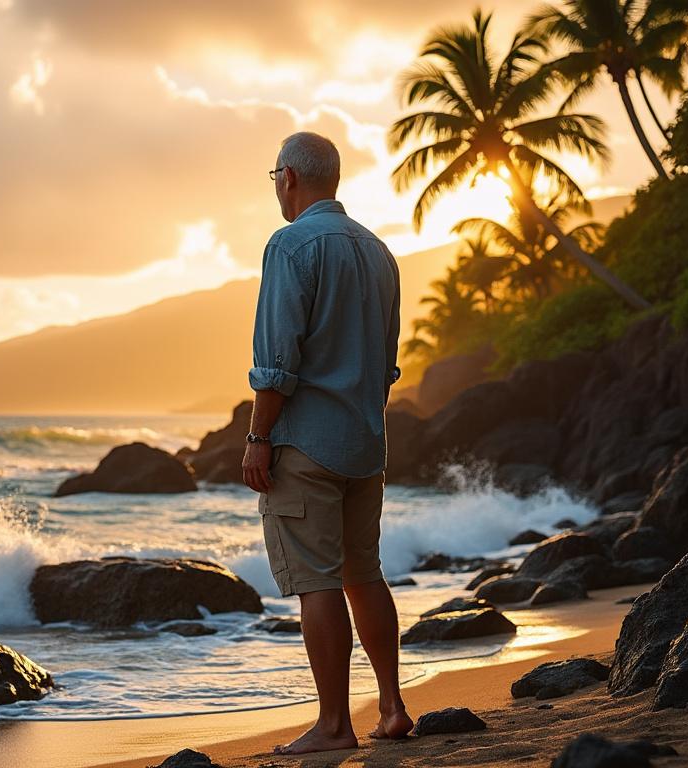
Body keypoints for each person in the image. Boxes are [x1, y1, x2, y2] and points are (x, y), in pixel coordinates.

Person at [241, 131, 408, 755]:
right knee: (365, 574)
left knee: (317, 582)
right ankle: (391, 706)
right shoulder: (378, 250)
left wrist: (260, 436)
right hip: (365, 442)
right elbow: (386, 363)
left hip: (307, 444)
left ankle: (335, 724)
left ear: (288, 178)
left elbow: (277, 360)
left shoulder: (290, 245)